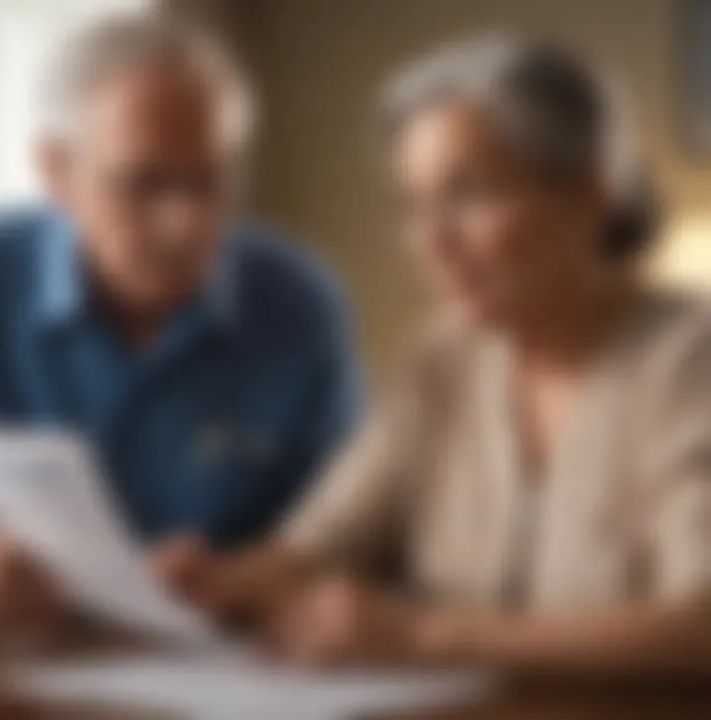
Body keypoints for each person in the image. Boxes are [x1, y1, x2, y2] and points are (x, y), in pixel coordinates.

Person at [173, 36, 711, 676]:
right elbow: (317, 546)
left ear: (590, 189)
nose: (432, 242)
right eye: (412, 207)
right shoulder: (441, 360)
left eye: (469, 195)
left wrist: (427, 635)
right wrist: (211, 583)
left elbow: (699, 625)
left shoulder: (688, 364)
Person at [0, 14, 361, 641]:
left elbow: (344, 536)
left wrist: (235, 579)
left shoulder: (299, 305)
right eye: (145, 185)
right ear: (58, 172)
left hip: (222, 663)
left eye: (210, 180)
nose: (187, 224)